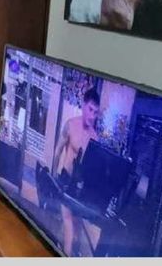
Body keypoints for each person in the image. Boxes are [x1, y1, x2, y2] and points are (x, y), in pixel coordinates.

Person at [52, 88, 101, 256]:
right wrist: (54, 176)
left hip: (80, 187)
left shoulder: (94, 138)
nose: (92, 116)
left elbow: (93, 170)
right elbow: (58, 151)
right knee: (68, 224)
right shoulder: (70, 125)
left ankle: (64, 249)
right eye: (90, 109)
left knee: (77, 227)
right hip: (65, 180)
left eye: (96, 112)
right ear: (83, 105)